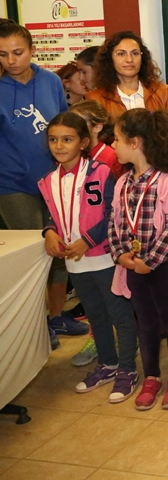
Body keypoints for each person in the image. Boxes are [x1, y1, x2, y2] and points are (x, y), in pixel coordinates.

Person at [39, 112, 137, 404]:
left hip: (105, 258)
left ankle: (128, 368)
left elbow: (113, 214)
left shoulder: (101, 172)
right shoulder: (47, 180)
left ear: (83, 142)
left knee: (120, 315)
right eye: (53, 140)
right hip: (75, 263)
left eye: (67, 139)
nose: (59, 146)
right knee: (96, 316)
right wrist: (49, 232)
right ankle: (107, 364)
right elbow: (51, 215)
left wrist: (88, 240)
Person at [108, 109, 168, 410]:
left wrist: (151, 261)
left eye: (116, 139)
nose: (112, 145)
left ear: (135, 143)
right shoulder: (122, 183)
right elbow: (114, 223)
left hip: (162, 267)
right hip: (133, 266)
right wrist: (121, 254)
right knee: (145, 323)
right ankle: (152, 377)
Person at [0, 20, 77, 348]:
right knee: (35, 253)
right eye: (2, 54)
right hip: (12, 184)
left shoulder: (50, 81)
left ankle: (55, 316)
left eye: (18, 52)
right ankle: (33, 326)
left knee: (59, 250)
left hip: (53, 181)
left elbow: (63, 124)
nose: (11, 60)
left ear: (32, 50)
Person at [85, 31, 168, 128]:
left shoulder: (162, 92)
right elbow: (94, 137)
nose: (129, 60)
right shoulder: (96, 98)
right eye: (121, 54)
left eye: (135, 53)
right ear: (110, 59)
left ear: (142, 58)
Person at [70, 100, 124, 180]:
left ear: (97, 127)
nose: (71, 129)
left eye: (79, 124)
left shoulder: (112, 158)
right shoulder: (71, 154)